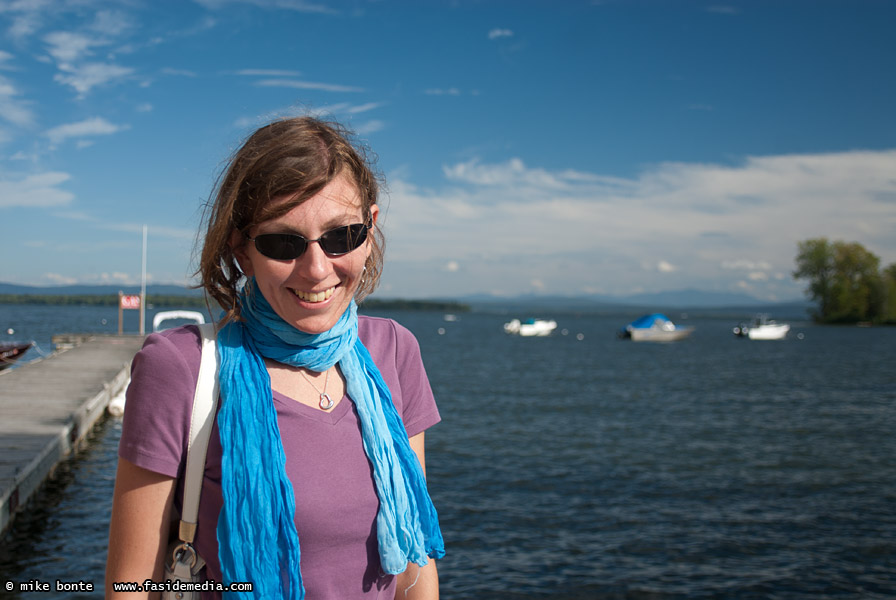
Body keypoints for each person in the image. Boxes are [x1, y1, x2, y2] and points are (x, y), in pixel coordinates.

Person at [105, 116, 444, 599]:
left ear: (369, 229)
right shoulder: (178, 367)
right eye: (284, 243)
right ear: (241, 250)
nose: (316, 269)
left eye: (341, 236)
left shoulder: (394, 350)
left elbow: (416, 562)